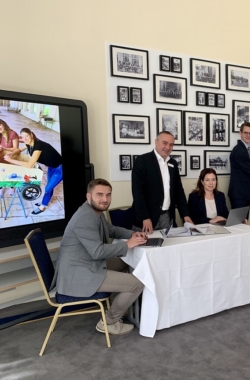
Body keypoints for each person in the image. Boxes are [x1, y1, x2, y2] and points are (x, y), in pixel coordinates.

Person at [53, 179, 147, 335]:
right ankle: (109, 322)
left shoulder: (93, 211)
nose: (105, 199)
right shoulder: (85, 218)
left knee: (125, 260)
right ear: (88, 196)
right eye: (100, 194)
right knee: (137, 284)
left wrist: (133, 234)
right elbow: (97, 252)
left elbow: (111, 230)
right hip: (79, 274)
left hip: (88, 264)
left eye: (108, 195)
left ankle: (118, 305)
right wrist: (128, 244)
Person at [132, 131, 192, 233]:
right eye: (165, 143)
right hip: (147, 219)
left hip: (167, 217)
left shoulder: (173, 163)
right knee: (146, 243)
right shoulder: (142, 161)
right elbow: (138, 192)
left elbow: (179, 192)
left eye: (171, 144)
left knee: (169, 243)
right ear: (156, 142)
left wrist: (185, 215)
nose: (168, 147)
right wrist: (145, 217)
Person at [4, 127, 62, 215]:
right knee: (49, 187)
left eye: (27, 136)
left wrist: (11, 160)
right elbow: (19, 150)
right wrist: (11, 154)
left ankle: (42, 207)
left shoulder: (38, 146)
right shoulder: (29, 143)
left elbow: (29, 165)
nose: (25, 139)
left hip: (60, 168)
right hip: (51, 167)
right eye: (22, 137)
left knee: (48, 188)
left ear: (31, 134)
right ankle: (45, 202)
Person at [0, 119, 19, 197]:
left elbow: (16, 148)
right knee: (1, 172)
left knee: (11, 173)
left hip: (12, 155)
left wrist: (4, 148)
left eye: (0, 125)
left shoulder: (13, 134)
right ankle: (1, 187)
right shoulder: (0, 134)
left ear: (4, 124)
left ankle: (12, 187)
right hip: (3, 155)